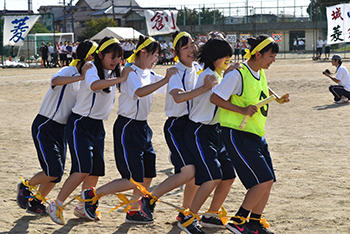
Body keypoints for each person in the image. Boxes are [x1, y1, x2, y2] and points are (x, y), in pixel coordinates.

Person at [80, 35, 177, 224]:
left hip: (143, 126)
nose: (156, 59)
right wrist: (165, 79)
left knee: (148, 173)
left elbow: (166, 86)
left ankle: (133, 211)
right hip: (127, 126)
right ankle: (92, 196)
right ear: (143, 52)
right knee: (132, 178)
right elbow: (139, 92)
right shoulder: (130, 71)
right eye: (154, 54)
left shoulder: (148, 73)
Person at [210, 35, 289, 234]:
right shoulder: (238, 73)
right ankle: (238, 221)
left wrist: (277, 98)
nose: (273, 60)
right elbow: (215, 97)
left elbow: (260, 89)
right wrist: (242, 110)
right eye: (271, 56)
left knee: (268, 180)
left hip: (255, 134)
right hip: (238, 134)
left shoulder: (259, 71)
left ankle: (254, 222)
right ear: (258, 54)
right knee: (261, 180)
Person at [47, 37, 130, 225]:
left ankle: (85, 206)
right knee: (82, 169)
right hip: (80, 124)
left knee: (95, 170)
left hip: (97, 125)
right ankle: (56, 203)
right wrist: (121, 78)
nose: (115, 61)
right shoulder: (91, 67)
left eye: (119, 57)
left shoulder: (114, 72)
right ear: (100, 54)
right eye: (112, 56)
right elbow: (94, 85)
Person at [137, 31, 217, 226]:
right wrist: (204, 89)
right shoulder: (175, 71)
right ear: (176, 52)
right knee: (188, 172)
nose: (191, 50)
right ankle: (149, 198)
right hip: (176, 126)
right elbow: (179, 97)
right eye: (185, 47)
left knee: (195, 173)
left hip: (193, 125)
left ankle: (185, 212)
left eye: (192, 45)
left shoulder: (198, 67)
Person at [16, 40, 97, 216]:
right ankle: (26, 185)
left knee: (57, 174)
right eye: (95, 55)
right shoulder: (70, 70)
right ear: (88, 56)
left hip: (62, 129)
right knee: (52, 170)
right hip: (45, 125)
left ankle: (36, 202)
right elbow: (55, 80)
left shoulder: (90, 78)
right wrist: (80, 77)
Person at [167, 38, 236, 233]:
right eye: (226, 58)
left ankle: (212, 215)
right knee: (212, 176)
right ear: (215, 58)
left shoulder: (218, 74)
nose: (228, 61)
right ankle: (188, 217)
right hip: (199, 131)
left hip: (215, 131)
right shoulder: (208, 76)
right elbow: (220, 97)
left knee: (228, 174)